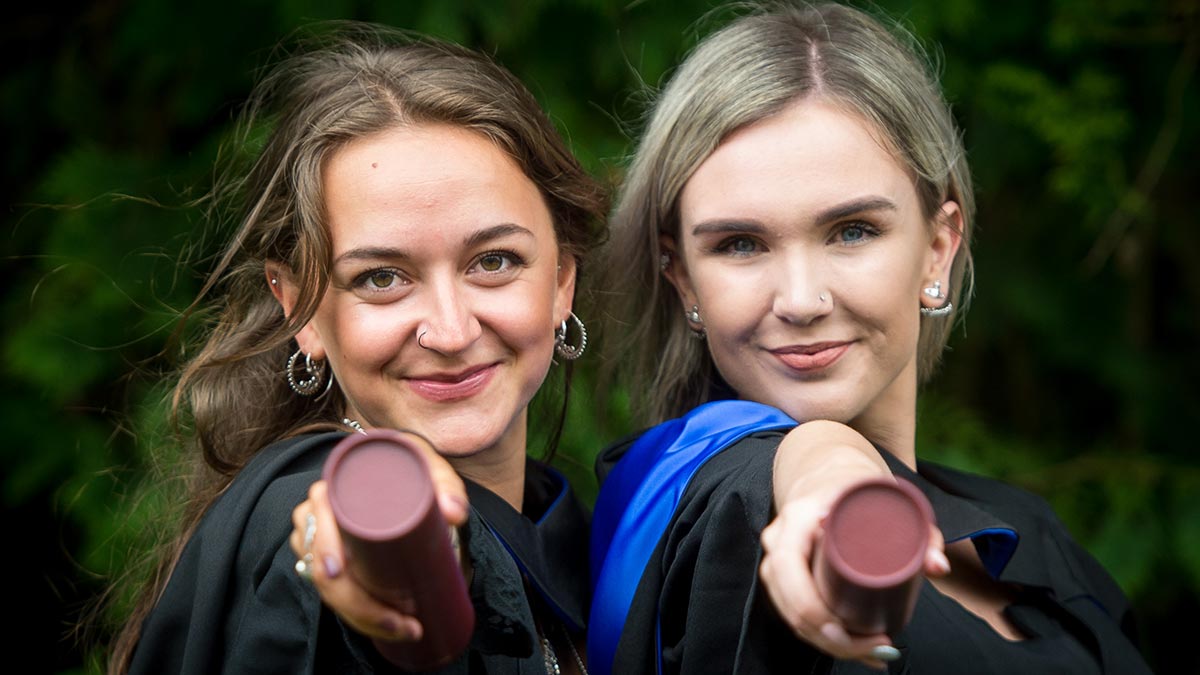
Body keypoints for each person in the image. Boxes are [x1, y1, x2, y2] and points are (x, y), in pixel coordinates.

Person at [589, 3, 1151, 674]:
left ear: (938, 249)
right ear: (682, 279)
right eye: (740, 244)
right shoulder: (694, 511)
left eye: (852, 230)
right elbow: (778, 476)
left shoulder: (1030, 533)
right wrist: (830, 472)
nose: (800, 300)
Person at [107, 24, 605, 674]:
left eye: (494, 260)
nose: (451, 331)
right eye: (381, 277)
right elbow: (354, 543)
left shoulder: (597, 550)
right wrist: (377, 554)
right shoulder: (290, 536)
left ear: (561, 280)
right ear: (303, 309)